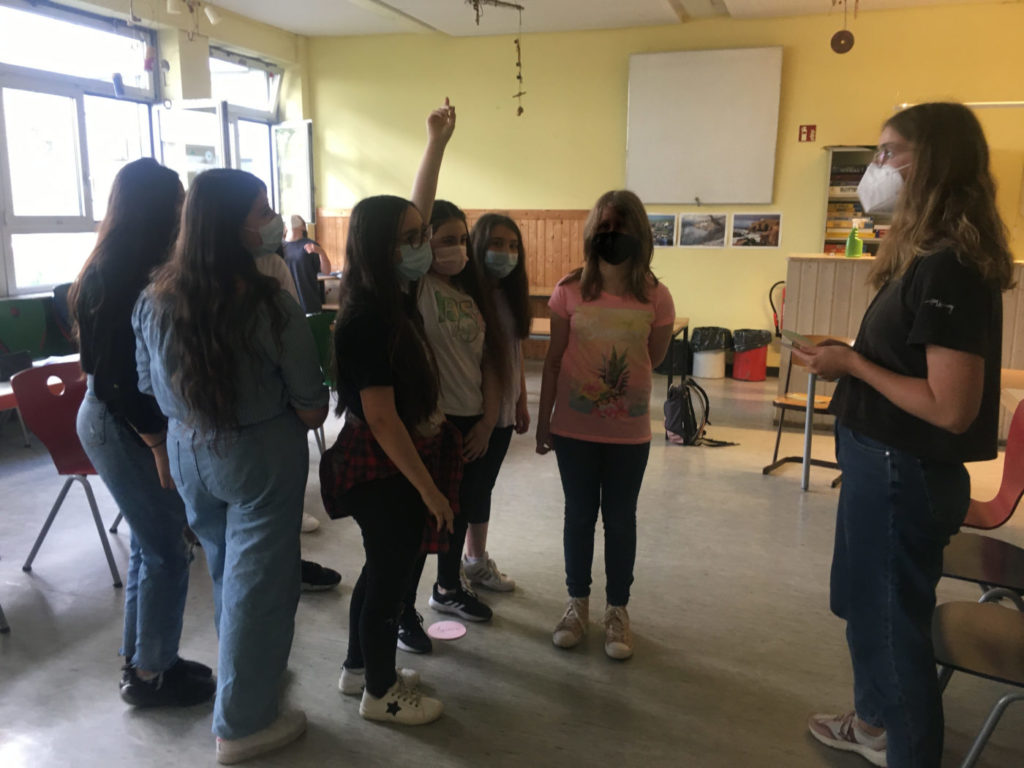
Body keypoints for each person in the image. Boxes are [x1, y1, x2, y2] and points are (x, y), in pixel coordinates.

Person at [801, 103, 1013, 768]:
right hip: (879, 463)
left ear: (935, 163)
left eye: (889, 152)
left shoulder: (951, 266)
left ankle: (909, 751)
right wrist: (852, 355)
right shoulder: (924, 256)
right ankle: (873, 724)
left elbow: (950, 408)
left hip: (903, 472)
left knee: (894, 631)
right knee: (868, 609)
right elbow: (910, 361)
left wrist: (853, 364)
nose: (877, 167)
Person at [133, 168, 328, 764]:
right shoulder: (270, 304)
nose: (273, 220)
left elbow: (147, 383)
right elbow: (311, 404)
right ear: (229, 224)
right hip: (259, 454)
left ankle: (248, 680)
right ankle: (242, 723)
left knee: (228, 570)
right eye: (262, 210)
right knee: (260, 585)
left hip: (189, 451)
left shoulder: (154, 298)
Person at [321, 99, 456, 725]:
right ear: (381, 248)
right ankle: (380, 695)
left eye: (422, 236)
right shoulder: (369, 318)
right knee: (390, 583)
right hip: (382, 465)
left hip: (392, 460)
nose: (423, 245)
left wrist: (436, 145)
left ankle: (358, 670)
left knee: (381, 572)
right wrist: (429, 489)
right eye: (410, 240)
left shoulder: (391, 293)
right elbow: (382, 418)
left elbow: (414, 211)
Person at [71, 158, 216, 708]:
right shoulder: (119, 272)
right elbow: (117, 380)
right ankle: (153, 672)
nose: (182, 210)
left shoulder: (128, 263)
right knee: (166, 550)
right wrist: (156, 444)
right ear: (152, 207)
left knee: (149, 545)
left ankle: (142, 662)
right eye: (176, 200)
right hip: (120, 421)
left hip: (119, 416)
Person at [536, 189, 675, 661]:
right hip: (574, 430)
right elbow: (554, 360)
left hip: (628, 435)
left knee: (619, 520)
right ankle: (577, 605)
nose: (612, 234)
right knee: (578, 516)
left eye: (622, 226)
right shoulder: (568, 291)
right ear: (592, 231)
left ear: (640, 233)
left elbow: (653, 357)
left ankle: (618, 610)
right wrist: (544, 421)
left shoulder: (656, 296)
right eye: (605, 226)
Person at [396, 200, 506, 654]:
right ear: (424, 243)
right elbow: (418, 206)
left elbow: (491, 362)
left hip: (471, 421)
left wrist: (487, 421)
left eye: (463, 240)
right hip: (432, 423)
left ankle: (447, 587)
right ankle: (402, 611)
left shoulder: (469, 293)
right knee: (422, 520)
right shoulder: (415, 288)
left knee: (458, 511)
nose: (458, 249)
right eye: (446, 240)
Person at [461, 213, 531, 588]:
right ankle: (462, 567)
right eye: (497, 244)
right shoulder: (468, 297)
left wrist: (521, 400)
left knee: (482, 487)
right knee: (469, 490)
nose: (506, 253)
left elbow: (514, 353)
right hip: (476, 413)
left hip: (503, 411)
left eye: (513, 246)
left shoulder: (510, 295)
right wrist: (487, 421)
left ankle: (475, 559)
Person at [283, 214, 332, 314]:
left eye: (298, 219)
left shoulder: (311, 246)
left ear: (303, 227)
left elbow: (326, 271)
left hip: (309, 304)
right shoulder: (279, 247)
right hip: (286, 307)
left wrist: (321, 252)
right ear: (285, 227)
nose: (292, 219)